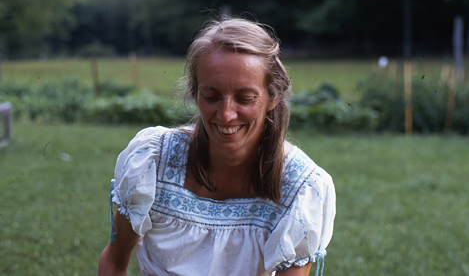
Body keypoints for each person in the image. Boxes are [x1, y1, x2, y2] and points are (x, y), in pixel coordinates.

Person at [98, 18, 336, 276]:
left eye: (245, 99)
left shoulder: (301, 189)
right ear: (195, 91)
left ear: (273, 97)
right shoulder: (153, 161)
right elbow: (114, 261)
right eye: (211, 96)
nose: (225, 114)